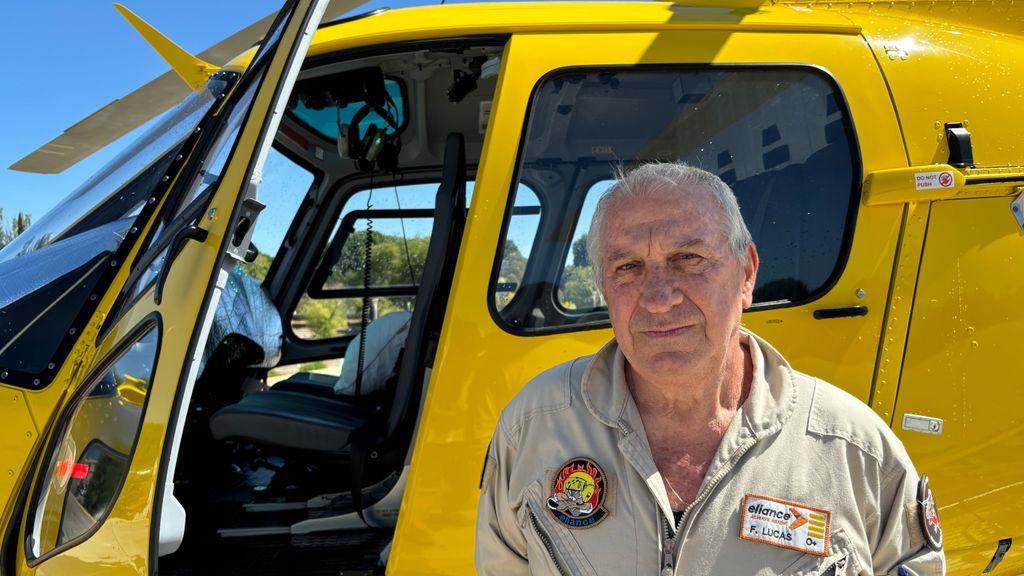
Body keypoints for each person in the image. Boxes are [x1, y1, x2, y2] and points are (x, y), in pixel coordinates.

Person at [476, 163, 945, 575]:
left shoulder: (854, 449)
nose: (659, 298)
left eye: (689, 259)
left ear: (746, 274)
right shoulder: (534, 426)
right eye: (628, 267)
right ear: (603, 286)